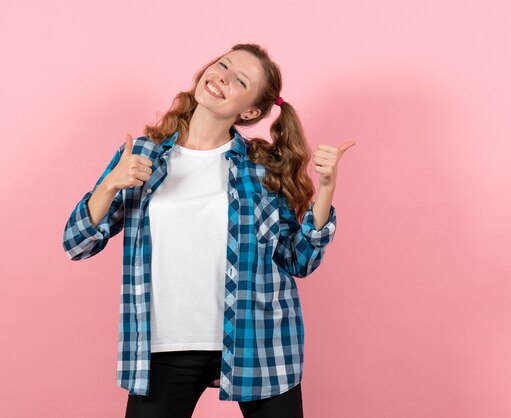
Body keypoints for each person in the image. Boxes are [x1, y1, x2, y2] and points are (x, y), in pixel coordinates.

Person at [62, 43, 355, 418]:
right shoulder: (143, 155)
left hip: (259, 342)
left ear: (250, 110)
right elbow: (76, 244)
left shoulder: (261, 168)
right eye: (223, 65)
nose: (222, 77)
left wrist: (326, 190)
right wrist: (108, 187)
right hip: (165, 345)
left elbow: (299, 260)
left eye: (239, 80)